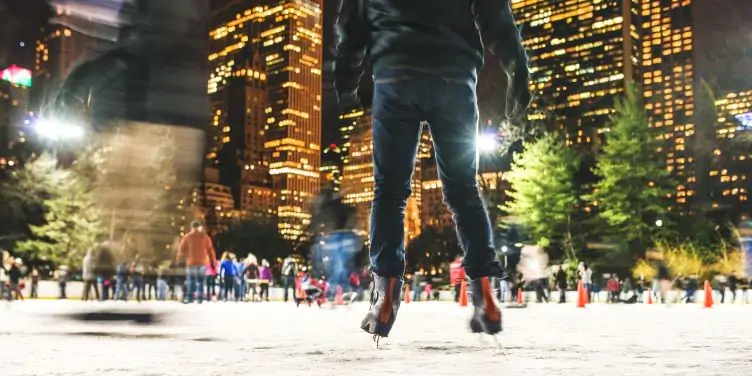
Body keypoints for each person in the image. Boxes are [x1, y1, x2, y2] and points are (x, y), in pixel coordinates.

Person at [335, 0, 531, 338]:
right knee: (463, 190)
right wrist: (517, 69)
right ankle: (484, 294)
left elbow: (352, 24)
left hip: (395, 74)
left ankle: (385, 299)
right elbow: (495, 14)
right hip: (453, 76)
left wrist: (346, 81)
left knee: (390, 193)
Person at [176, 220, 217, 304]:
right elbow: (210, 251)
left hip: (191, 263)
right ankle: (200, 298)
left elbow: (181, 250)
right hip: (202, 263)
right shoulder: (205, 237)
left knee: (191, 280)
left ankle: (190, 298)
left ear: (191, 228)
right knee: (201, 281)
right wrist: (213, 263)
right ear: (199, 227)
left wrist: (179, 260)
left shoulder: (187, 237)